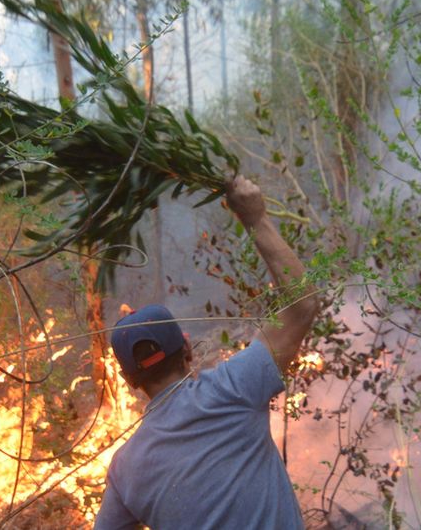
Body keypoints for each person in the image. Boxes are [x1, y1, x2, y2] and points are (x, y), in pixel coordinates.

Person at [93, 175, 319, 530]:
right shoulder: (233, 388)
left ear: (128, 380)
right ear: (187, 349)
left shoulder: (125, 468)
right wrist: (255, 218)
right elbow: (302, 305)